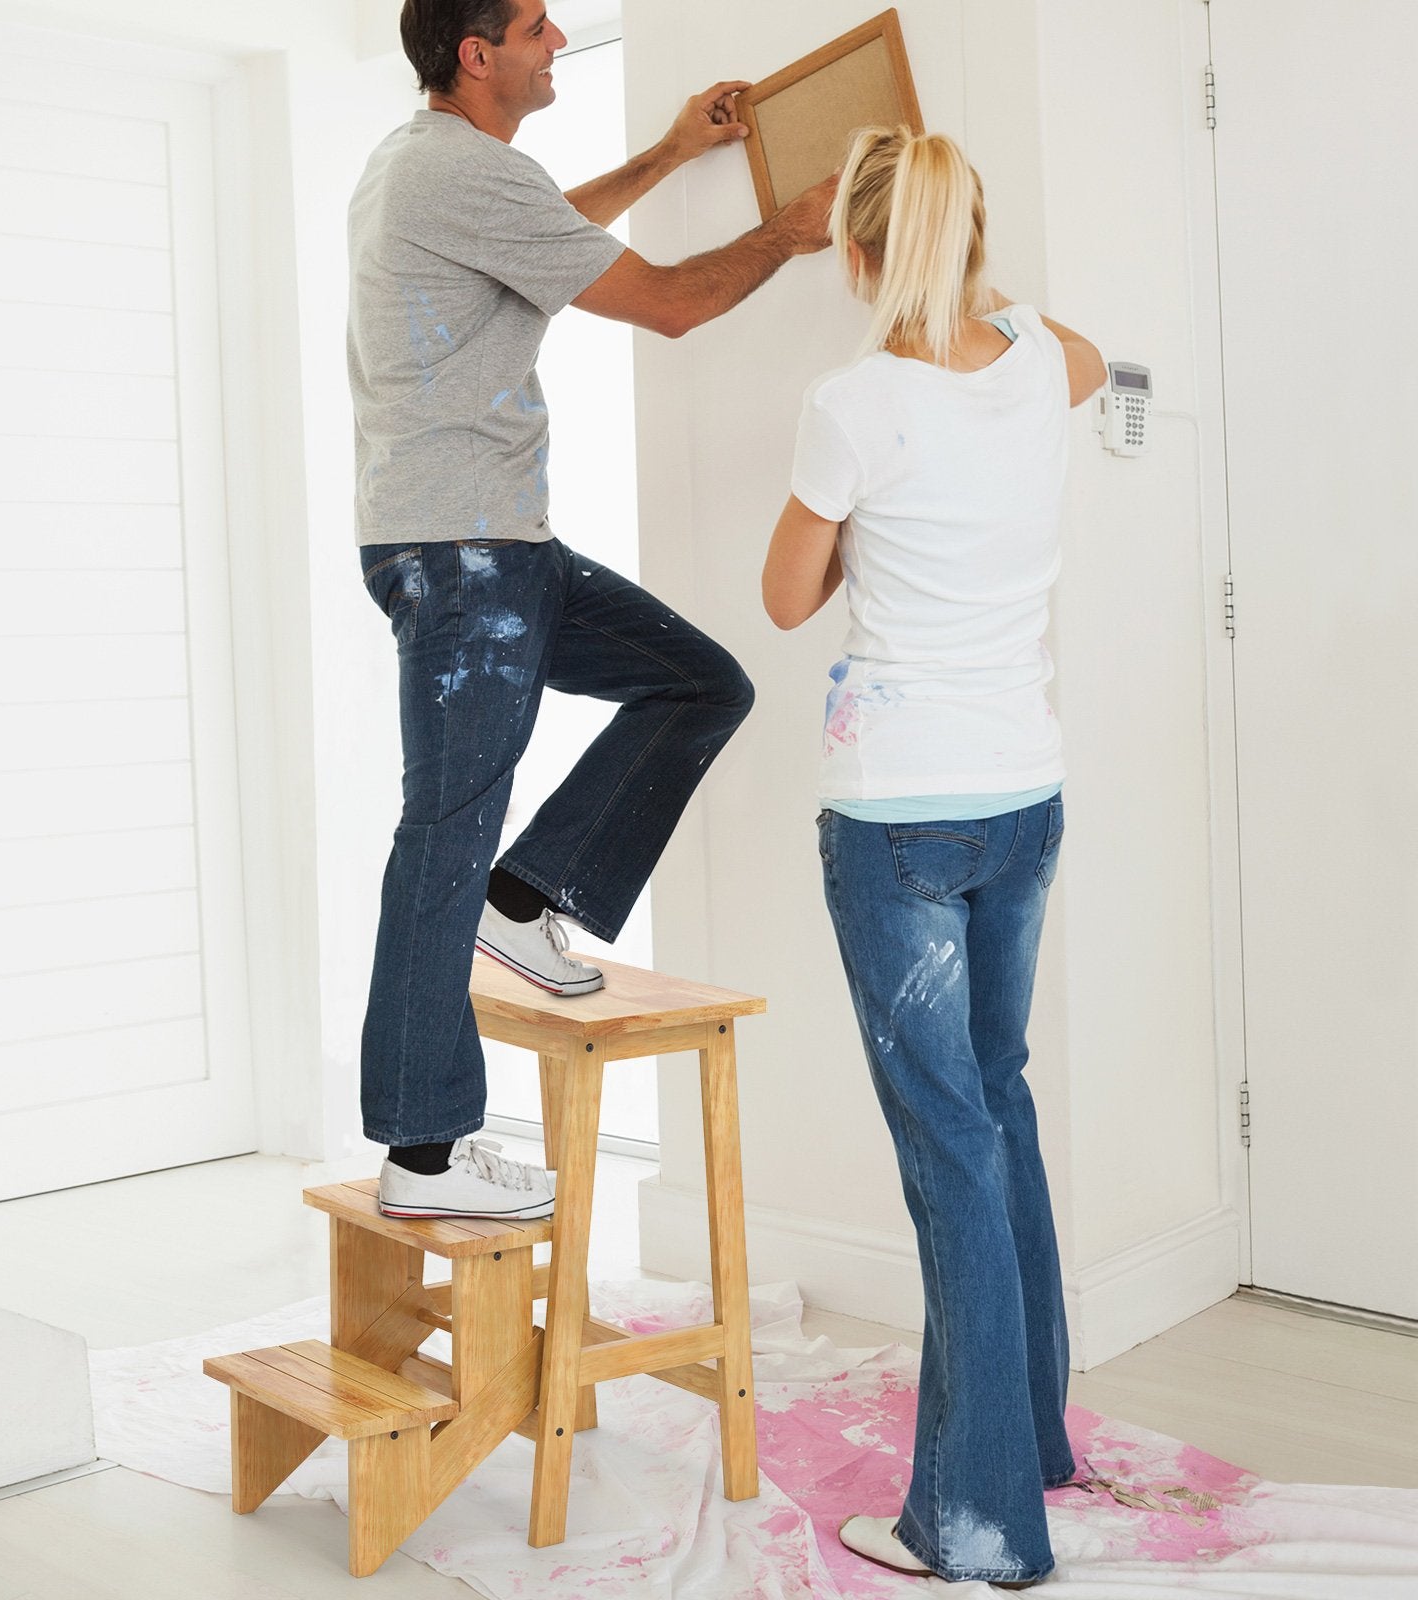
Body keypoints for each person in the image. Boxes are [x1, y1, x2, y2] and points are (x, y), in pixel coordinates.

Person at [351, 0, 835, 1222]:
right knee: (445, 828)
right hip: (464, 555)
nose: (558, 38)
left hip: (497, 543)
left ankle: (525, 904)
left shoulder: (447, 170)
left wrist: (673, 153)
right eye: (536, 25)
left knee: (700, 683)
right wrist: (785, 233)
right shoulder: (451, 168)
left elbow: (555, 234)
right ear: (477, 54)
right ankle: (422, 1155)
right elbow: (668, 303)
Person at [761, 126, 1106, 1587]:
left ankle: (968, 1526)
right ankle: (1027, 1439)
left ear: (850, 251)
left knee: (951, 1149)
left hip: (901, 816)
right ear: (970, 237)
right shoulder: (1042, 357)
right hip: (1025, 794)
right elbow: (1065, 353)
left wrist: (865, 523)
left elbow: (785, 597)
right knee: (1001, 1100)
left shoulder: (851, 404)